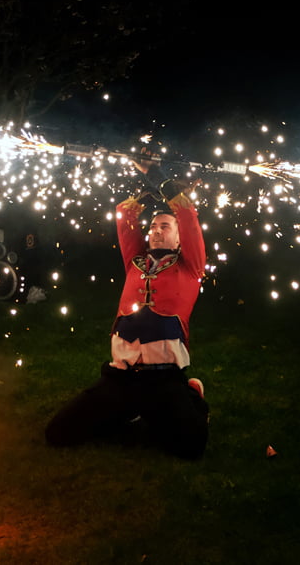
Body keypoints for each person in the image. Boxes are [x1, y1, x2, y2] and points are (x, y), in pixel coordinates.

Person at [45, 154, 209, 459]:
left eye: (165, 226)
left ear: (179, 239)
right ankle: (127, 411)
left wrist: (156, 173)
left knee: (191, 447)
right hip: (120, 378)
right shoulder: (135, 260)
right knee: (57, 434)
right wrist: (148, 190)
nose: (156, 230)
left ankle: (190, 393)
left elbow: (187, 215)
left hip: (163, 379)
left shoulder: (191, 267)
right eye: (153, 226)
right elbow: (124, 214)